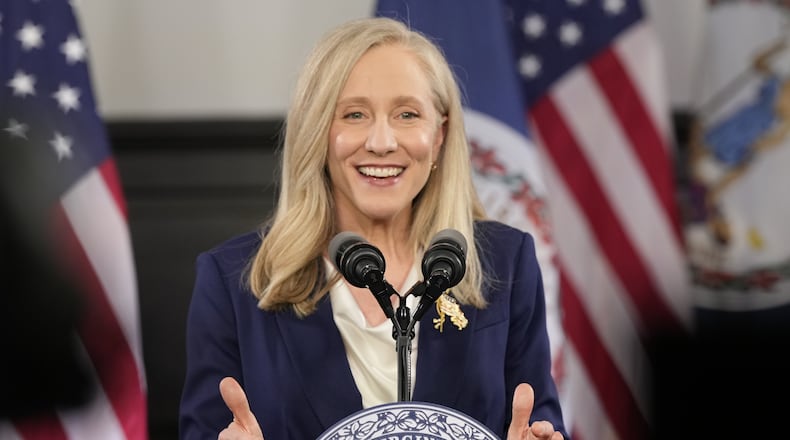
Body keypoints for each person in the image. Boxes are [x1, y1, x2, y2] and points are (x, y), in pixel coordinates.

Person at [179, 16, 567, 440]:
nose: (381, 142)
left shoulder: (506, 263)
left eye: (407, 114)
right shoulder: (232, 280)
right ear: (318, 133)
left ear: (439, 135)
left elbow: (538, 422)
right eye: (354, 114)